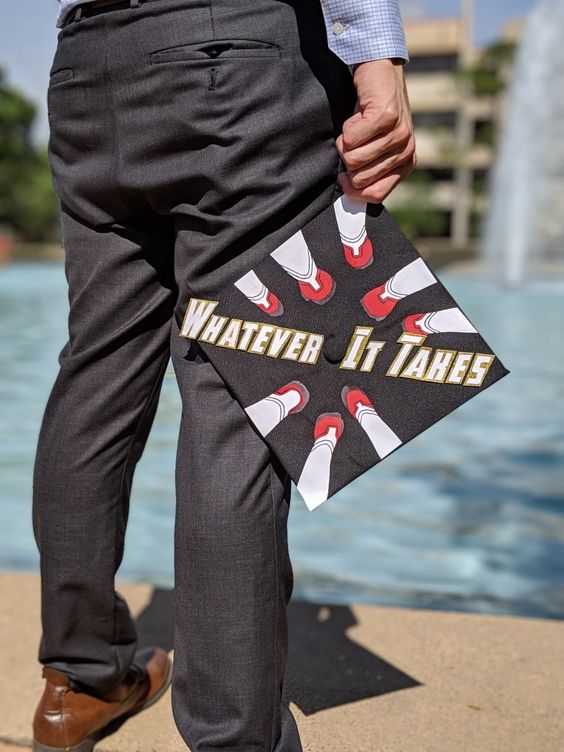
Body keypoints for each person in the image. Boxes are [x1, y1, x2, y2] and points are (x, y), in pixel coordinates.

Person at [31, 0, 415, 750]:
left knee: (96, 375)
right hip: (235, 61)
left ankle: (80, 681)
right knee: (239, 391)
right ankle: (235, 740)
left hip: (86, 65)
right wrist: (375, 56)